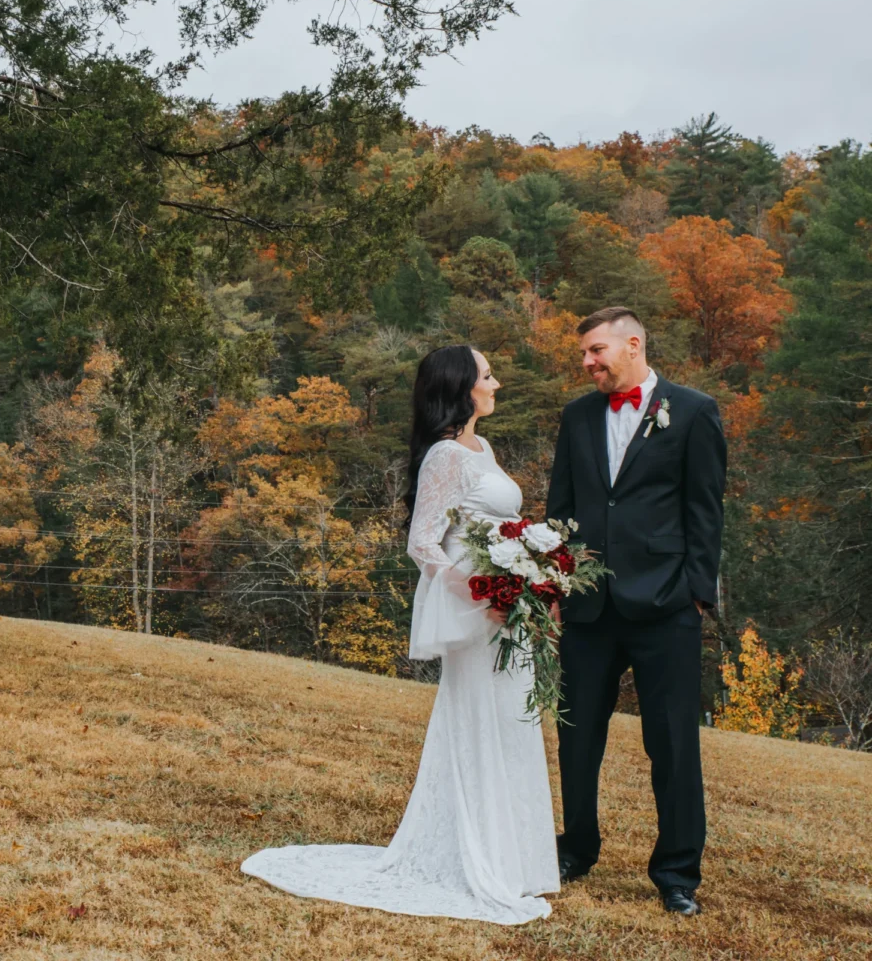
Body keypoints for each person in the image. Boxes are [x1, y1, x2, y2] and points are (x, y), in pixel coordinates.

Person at [241, 344, 559, 925]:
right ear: (463, 388)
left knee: (511, 721)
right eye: (488, 376)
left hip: (506, 610)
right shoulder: (443, 455)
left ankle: (514, 860)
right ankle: (472, 856)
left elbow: (497, 526)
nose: (497, 383)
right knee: (478, 721)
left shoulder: (481, 447)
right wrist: (480, 592)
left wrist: (530, 572)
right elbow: (422, 542)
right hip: (478, 614)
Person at [547, 306, 725, 917]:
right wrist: (556, 585)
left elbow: (706, 510)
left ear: (633, 344)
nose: (588, 363)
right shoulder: (576, 416)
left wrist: (697, 593)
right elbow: (561, 508)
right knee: (576, 738)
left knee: (673, 744)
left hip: (666, 607)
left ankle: (677, 873)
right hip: (588, 609)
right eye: (584, 356)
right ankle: (576, 848)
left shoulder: (694, 411)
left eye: (596, 351)